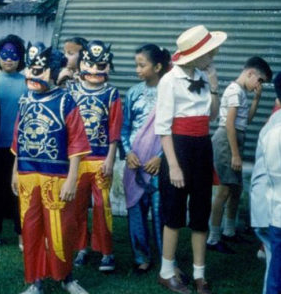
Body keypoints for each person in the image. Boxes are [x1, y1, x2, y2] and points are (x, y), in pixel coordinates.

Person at [11, 42, 91, 294]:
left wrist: (71, 179)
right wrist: (14, 171)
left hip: (56, 176)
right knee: (31, 228)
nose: (33, 75)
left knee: (61, 230)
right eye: (32, 69)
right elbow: (18, 137)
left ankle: (66, 277)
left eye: (41, 70)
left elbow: (77, 141)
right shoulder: (24, 99)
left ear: (55, 73)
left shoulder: (66, 101)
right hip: (27, 174)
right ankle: (35, 280)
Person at [155, 25, 226, 294]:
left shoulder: (205, 77)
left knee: (200, 212)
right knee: (173, 212)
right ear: (195, 54)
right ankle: (166, 271)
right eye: (209, 52)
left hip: (202, 147)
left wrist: (216, 87)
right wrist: (173, 165)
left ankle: (199, 275)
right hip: (179, 148)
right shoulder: (169, 81)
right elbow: (163, 128)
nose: (213, 56)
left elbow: (213, 117)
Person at [207, 56, 272, 253]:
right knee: (225, 189)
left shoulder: (242, 92)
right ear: (250, 73)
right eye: (259, 81)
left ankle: (229, 231)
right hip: (227, 141)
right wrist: (235, 154)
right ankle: (213, 237)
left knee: (235, 189)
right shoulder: (234, 91)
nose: (258, 85)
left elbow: (246, 120)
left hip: (235, 139)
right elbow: (229, 124)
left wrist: (257, 99)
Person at [69, 39, 123, 272]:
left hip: (101, 158)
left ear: (108, 66)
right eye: (90, 64)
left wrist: (111, 158)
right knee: (77, 206)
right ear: (82, 63)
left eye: (101, 65)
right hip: (77, 160)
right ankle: (81, 246)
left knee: (102, 206)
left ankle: (106, 251)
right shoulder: (71, 91)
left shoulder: (111, 94)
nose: (94, 70)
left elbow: (114, 128)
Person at [121, 44, 171, 274]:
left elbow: (174, 129)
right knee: (136, 211)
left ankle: (165, 257)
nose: (137, 70)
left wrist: (161, 158)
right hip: (135, 162)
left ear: (158, 66)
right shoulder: (133, 93)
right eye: (136, 65)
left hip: (159, 163)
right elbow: (124, 128)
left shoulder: (170, 92)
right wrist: (128, 152)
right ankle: (141, 256)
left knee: (161, 211)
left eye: (142, 65)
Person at [0, 34, 27, 250]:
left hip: (19, 147)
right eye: (4, 55)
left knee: (18, 191)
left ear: (20, 58)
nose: (9, 59)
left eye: (14, 56)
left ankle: (21, 235)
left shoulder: (27, 82)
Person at [251, 71, 281, 294]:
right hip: (274, 213)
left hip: (274, 210)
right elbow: (275, 177)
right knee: (276, 273)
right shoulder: (276, 131)